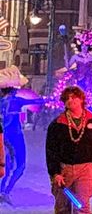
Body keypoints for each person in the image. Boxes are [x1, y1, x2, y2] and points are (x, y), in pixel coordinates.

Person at [46, 86, 92, 214]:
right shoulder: (57, 124)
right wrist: (55, 173)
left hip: (86, 168)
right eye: (67, 98)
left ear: (81, 99)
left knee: (82, 207)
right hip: (64, 169)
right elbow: (51, 151)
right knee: (62, 208)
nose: (70, 100)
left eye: (74, 97)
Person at [0, 67, 42, 201]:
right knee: (19, 165)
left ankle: (3, 190)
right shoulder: (16, 101)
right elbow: (37, 101)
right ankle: (5, 191)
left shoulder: (5, 101)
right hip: (14, 136)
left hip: (5, 136)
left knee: (7, 165)